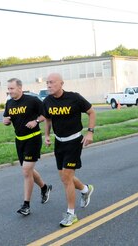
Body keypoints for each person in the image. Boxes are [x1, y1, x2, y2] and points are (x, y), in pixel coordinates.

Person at [43, 73, 95, 227]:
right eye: (47, 83)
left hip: (74, 141)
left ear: (61, 83)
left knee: (66, 178)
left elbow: (92, 112)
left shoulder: (74, 98)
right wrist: (46, 135)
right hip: (59, 142)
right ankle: (85, 189)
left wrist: (90, 132)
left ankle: (71, 214)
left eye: (52, 82)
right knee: (66, 178)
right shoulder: (47, 101)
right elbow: (48, 119)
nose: (49, 85)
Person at [3, 78, 52, 216]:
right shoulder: (9, 103)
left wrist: (36, 121)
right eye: (8, 88)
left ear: (20, 88)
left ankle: (26, 205)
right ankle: (44, 187)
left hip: (33, 139)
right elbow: (6, 118)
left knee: (26, 171)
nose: (9, 91)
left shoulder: (32, 100)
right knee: (28, 170)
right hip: (19, 141)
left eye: (12, 88)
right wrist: (5, 121)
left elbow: (45, 114)